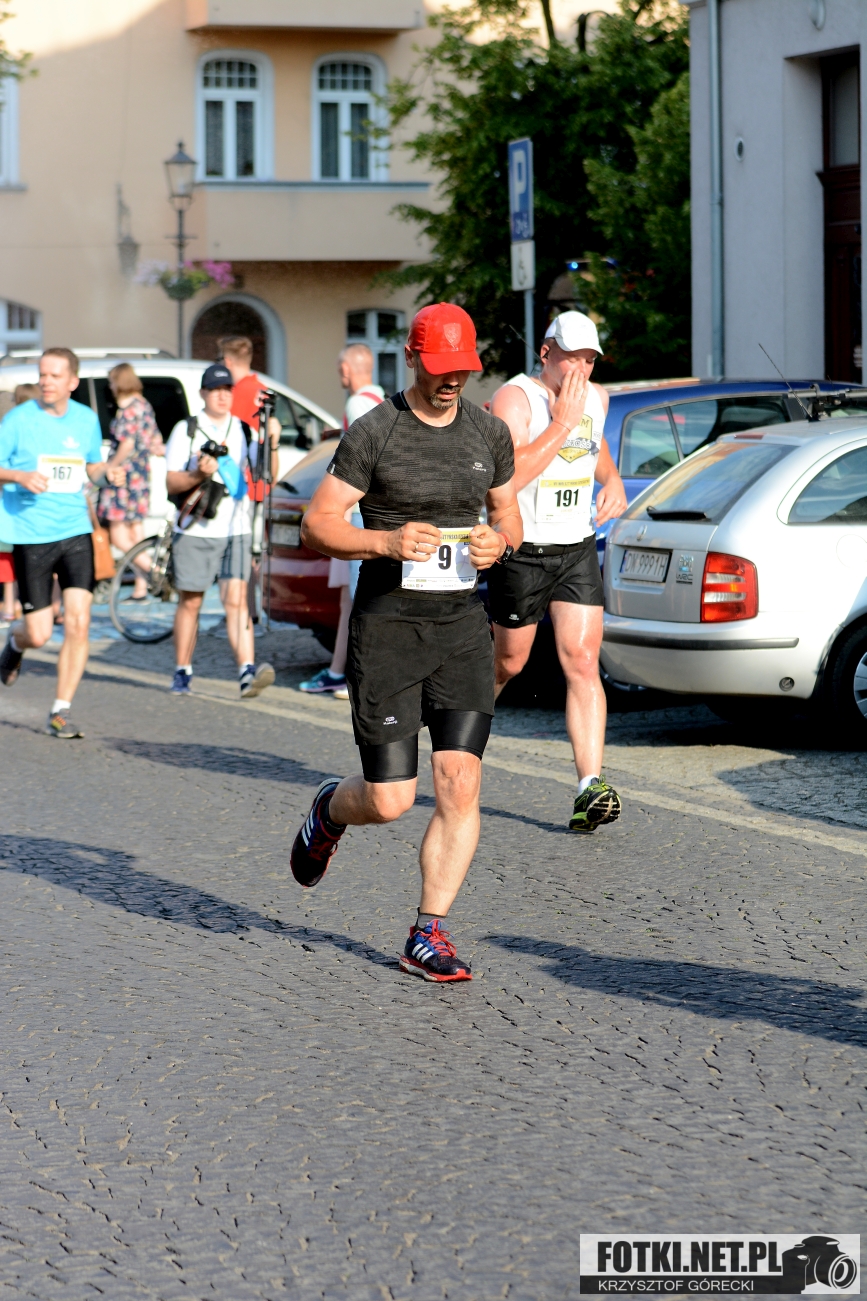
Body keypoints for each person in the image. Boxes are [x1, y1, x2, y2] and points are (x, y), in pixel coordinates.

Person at [290, 303, 523, 983]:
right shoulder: (375, 431)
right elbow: (317, 523)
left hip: (461, 629)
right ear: (414, 358)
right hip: (389, 629)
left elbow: (508, 514)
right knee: (390, 799)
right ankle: (329, 808)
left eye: (463, 369)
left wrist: (500, 544)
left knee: (460, 781)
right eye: (441, 368)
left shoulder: (489, 432)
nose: (452, 380)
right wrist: (384, 541)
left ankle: (428, 932)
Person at [487, 310, 628, 833]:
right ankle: (457, 732)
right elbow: (504, 479)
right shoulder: (515, 399)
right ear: (546, 353)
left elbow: (597, 448)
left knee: (583, 661)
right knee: (510, 662)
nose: (582, 370)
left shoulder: (597, 398)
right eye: (573, 358)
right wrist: (561, 422)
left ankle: (589, 786)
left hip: (575, 547)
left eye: (590, 360)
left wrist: (613, 481)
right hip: (522, 547)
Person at [0, 348, 126, 736]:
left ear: (72, 381)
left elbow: (91, 467)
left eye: (55, 376)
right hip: (31, 534)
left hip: (75, 529)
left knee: (79, 622)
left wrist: (107, 474)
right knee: (38, 633)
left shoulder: (85, 419)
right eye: (43, 375)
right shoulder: (18, 420)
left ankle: (60, 710)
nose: (46, 382)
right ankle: (15, 642)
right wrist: (19, 477)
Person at [164, 363, 277, 700]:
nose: (222, 396)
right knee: (191, 602)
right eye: (215, 390)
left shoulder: (242, 429)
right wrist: (199, 474)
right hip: (196, 530)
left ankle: (246, 672)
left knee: (237, 601)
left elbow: (267, 474)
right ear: (203, 393)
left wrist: (271, 439)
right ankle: (182, 670)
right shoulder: (186, 429)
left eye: (227, 389)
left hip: (236, 528)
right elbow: (171, 482)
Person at [300, 342, 385, 699]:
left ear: (347, 370)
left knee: (358, 596)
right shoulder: (382, 399)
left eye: (340, 370)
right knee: (352, 599)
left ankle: (361, 677)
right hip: (369, 511)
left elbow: (360, 462)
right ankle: (341, 672)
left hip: (358, 513)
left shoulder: (357, 404)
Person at [96, 364, 164, 600]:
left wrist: (109, 466)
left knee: (119, 536)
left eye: (112, 382)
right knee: (136, 532)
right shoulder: (144, 405)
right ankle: (140, 588)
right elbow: (155, 441)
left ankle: (155, 571)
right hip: (140, 475)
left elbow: (126, 444)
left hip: (122, 476)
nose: (110, 387)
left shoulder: (127, 410)